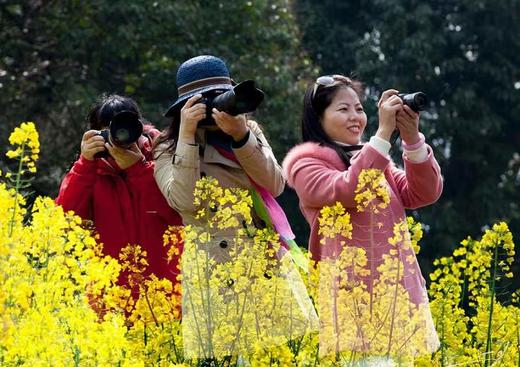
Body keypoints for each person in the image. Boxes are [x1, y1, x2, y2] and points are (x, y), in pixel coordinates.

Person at [153, 55, 317, 360]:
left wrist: (241, 136)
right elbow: (184, 201)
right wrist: (188, 136)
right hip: (213, 271)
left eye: (222, 98)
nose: (217, 109)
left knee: (279, 356)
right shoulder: (167, 147)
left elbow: (275, 184)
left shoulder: (248, 130)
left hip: (263, 263)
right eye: (206, 102)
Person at [282, 75, 443, 363]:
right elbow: (347, 190)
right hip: (355, 299)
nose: (355, 117)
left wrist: (412, 139)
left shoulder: (374, 160)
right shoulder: (305, 164)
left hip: (400, 294)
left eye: (359, 108)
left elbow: (423, 193)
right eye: (343, 109)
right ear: (317, 118)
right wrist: (382, 134)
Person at [56, 94, 183, 297]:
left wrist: (138, 169)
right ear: (98, 135)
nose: (120, 137)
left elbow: (178, 212)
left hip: (166, 292)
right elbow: (65, 219)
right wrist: (85, 164)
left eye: (126, 127)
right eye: (110, 131)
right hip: (111, 298)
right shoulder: (90, 171)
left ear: (139, 127)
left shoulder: (164, 155)